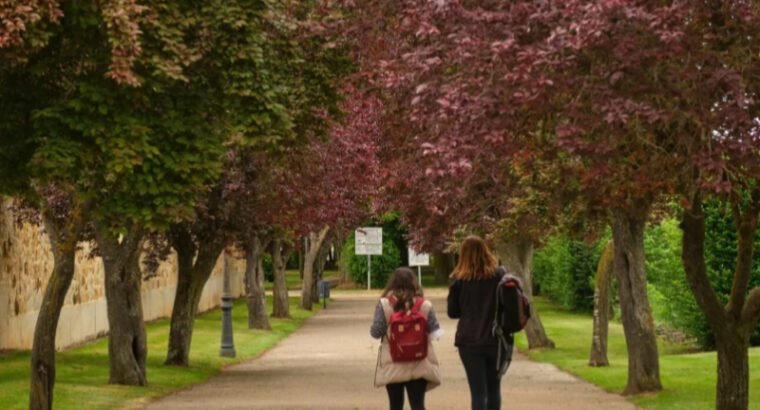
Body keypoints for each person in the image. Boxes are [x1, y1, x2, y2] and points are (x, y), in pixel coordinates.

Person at [370, 267, 443, 410]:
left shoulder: (385, 304)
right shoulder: (424, 305)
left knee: (395, 405)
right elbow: (435, 333)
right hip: (419, 362)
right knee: (418, 405)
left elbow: (376, 332)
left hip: (392, 363)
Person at [447, 235, 505, 410]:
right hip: (495, 339)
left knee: (478, 393)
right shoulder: (499, 275)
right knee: (494, 389)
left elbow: (453, 312)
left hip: (469, 341)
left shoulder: (459, 279)